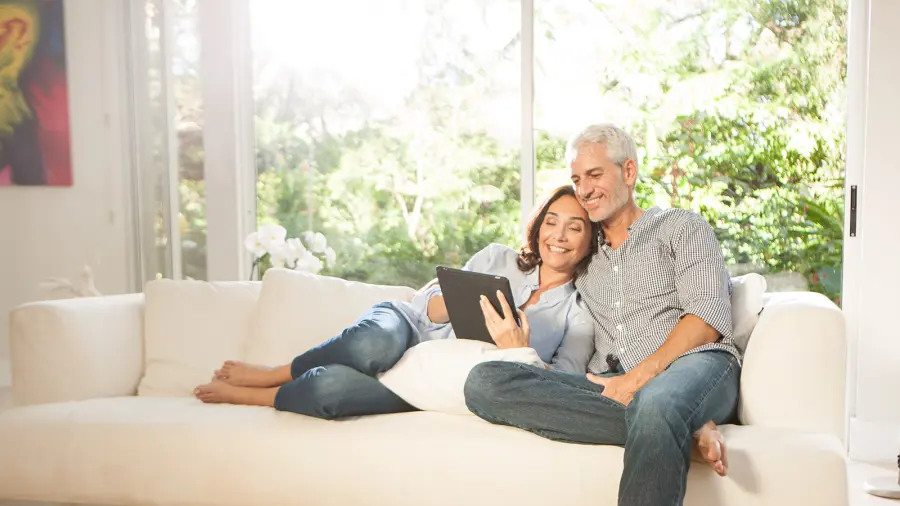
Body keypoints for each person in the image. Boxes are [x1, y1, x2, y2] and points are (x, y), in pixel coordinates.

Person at [464, 123, 741, 505]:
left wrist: (638, 380)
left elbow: (707, 317)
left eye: (595, 175)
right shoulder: (583, 253)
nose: (585, 189)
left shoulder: (680, 227)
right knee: (486, 381)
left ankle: (666, 417)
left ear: (629, 171)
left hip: (696, 363)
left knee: (657, 402)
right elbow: (541, 254)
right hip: (613, 380)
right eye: (577, 179)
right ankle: (679, 428)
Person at [193, 185, 600, 419]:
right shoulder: (498, 258)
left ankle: (260, 397)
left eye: (574, 227)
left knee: (330, 391)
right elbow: (424, 305)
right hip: (410, 330)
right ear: (538, 226)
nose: (558, 236)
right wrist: (455, 305)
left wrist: (519, 352)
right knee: (374, 344)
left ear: (590, 240)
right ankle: (276, 373)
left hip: (433, 385)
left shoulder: (578, 314)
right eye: (551, 222)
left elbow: (563, 383)